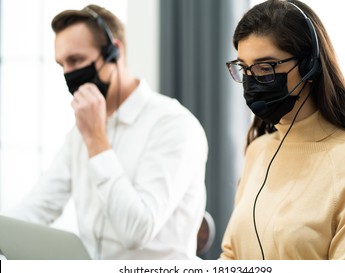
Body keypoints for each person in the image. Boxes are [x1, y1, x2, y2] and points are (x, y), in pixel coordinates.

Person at [3, 4, 208, 260]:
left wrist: (96, 140)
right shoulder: (81, 132)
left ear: (115, 52)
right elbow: (40, 205)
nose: (69, 74)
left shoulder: (173, 125)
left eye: (76, 60)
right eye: (62, 65)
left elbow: (137, 230)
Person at [221, 0, 345, 260]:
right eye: (244, 68)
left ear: (309, 65)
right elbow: (231, 256)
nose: (252, 81)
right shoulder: (258, 150)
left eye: (265, 68)